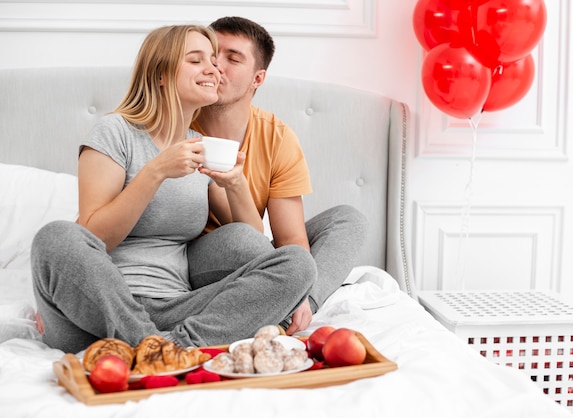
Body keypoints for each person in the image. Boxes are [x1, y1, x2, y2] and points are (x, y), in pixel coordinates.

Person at [30, 24, 316, 354]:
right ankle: (154, 347)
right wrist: (155, 172)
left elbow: (253, 244)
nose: (213, 69)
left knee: (298, 263)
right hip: (95, 314)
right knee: (55, 236)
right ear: (160, 74)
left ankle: (169, 348)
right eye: (197, 61)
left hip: (176, 310)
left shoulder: (198, 145)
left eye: (214, 59)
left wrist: (235, 181)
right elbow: (93, 237)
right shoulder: (115, 132)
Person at [191, 17, 368, 335]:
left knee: (347, 220)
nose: (216, 65)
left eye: (233, 58)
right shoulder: (173, 121)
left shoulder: (277, 136)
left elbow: (291, 240)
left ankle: (299, 308)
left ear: (257, 78)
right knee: (242, 239)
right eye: (211, 54)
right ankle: (281, 298)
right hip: (197, 257)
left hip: (256, 252)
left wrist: (299, 288)